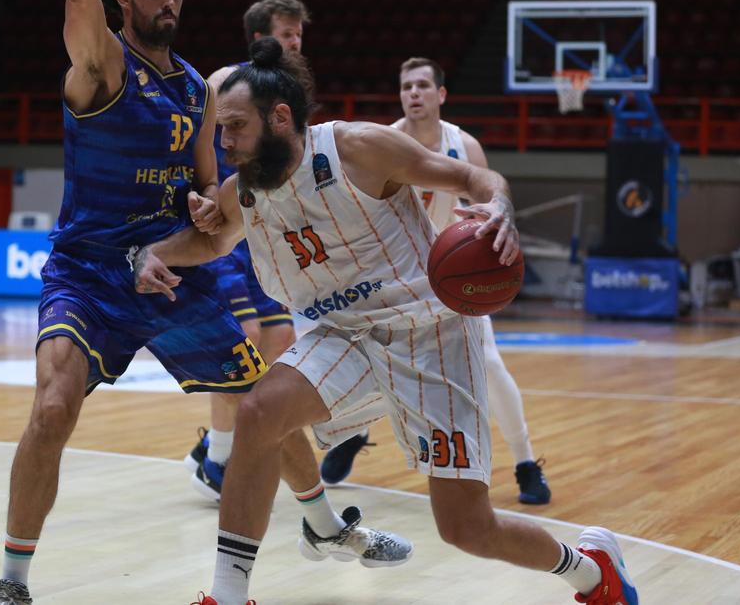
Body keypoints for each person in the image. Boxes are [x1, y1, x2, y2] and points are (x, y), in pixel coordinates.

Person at [133, 39, 637, 605]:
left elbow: (476, 180)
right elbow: (210, 240)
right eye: (221, 129)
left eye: (236, 127)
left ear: (279, 118)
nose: (224, 142)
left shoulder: (359, 148)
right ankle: (228, 595)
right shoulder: (242, 190)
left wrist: (500, 208)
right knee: (258, 411)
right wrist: (152, 253)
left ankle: (591, 572)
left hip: (432, 336)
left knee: (466, 527)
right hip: (344, 335)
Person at [0, 0, 408, 604]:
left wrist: (202, 208)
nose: (171, 1)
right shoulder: (101, 67)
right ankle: (12, 581)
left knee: (261, 403)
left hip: (173, 271)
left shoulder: (195, 89)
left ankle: (324, 524)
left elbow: (210, 192)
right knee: (52, 406)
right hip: (90, 275)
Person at [318, 57, 551, 505]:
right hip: (396, 275)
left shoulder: (464, 146)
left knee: (489, 364)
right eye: (407, 86)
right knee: (377, 361)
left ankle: (524, 461)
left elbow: (489, 199)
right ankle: (355, 432)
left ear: (441, 95)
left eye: (424, 85)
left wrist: (498, 229)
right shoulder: (381, 142)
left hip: (455, 276)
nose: (414, 93)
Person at [185, 0, 309, 501]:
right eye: (286, 34)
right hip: (228, 229)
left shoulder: (288, 93)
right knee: (244, 340)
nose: (296, 43)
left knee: (279, 343)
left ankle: (215, 446)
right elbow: (185, 136)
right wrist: (199, 188)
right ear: (260, 38)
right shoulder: (225, 81)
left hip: (268, 234)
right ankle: (218, 459)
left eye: (299, 35)